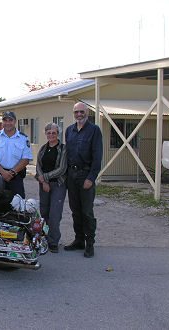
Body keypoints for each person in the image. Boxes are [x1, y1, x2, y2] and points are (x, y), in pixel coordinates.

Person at [64, 102, 103, 258]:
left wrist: (91, 178)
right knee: (75, 211)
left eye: (81, 111)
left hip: (85, 175)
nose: (79, 114)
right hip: (72, 175)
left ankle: (90, 244)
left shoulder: (94, 131)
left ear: (87, 112)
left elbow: (97, 156)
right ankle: (79, 240)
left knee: (87, 212)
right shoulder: (69, 131)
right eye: (76, 112)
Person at [35, 122, 68, 253]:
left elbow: (62, 168)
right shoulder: (43, 148)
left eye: (53, 132)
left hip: (58, 184)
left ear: (58, 134)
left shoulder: (63, 149)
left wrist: (46, 178)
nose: (51, 135)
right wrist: (43, 181)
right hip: (44, 185)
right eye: (49, 133)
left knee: (55, 214)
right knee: (44, 212)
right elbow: (38, 166)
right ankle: (45, 238)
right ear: (45, 134)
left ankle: (53, 241)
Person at [0, 111, 33, 198]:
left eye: (10, 120)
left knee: (18, 206)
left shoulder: (23, 138)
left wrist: (12, 172)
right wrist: (3, 172)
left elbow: (26, 159)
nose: (8, 123)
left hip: (16, 177)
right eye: (5, 120)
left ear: (15, 121)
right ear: (2, 122)